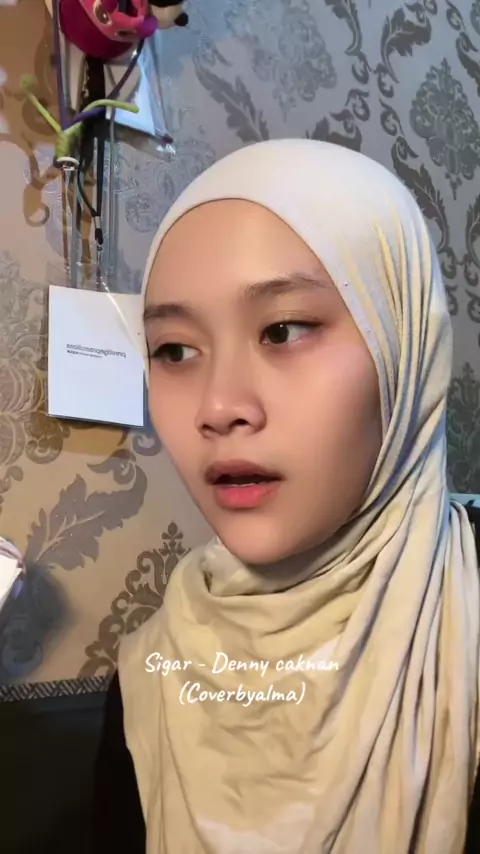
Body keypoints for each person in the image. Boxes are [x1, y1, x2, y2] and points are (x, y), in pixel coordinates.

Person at [90, 139, 480, 854]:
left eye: (284, 330)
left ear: (403, 343)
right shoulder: (152, 674)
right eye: (174, 350)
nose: (218, 407)